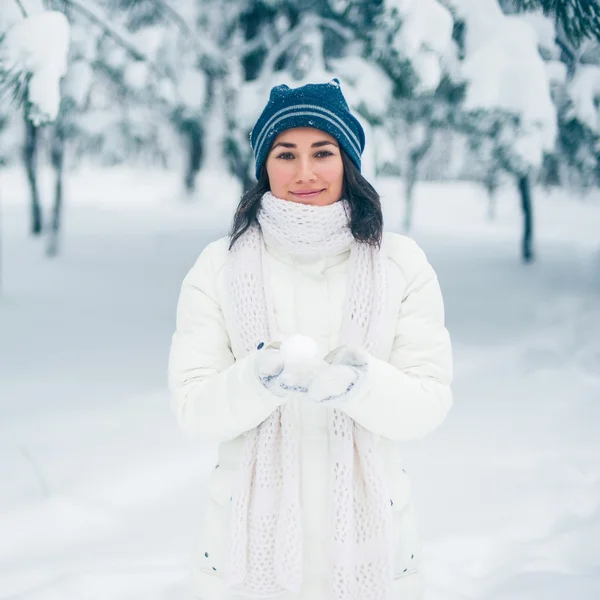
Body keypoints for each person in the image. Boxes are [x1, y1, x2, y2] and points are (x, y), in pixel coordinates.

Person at [168, 79, 453, 600]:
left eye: (322, 152)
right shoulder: (218, 267)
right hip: (244, 553)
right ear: (264, 165)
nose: (304, 172)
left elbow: (427, 404)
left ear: (347, 159)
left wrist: (361, 385)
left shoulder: (401, 264)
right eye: (286, 154)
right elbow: (193, 409)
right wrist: (258, 379)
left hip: (374, 552)